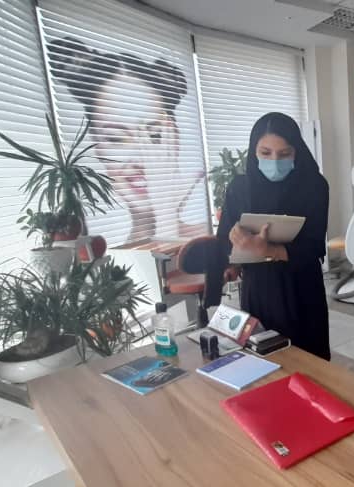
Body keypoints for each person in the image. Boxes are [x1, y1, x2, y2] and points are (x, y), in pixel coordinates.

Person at [48, 37, 206, 244]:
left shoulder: (215, 237)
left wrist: (165, 211)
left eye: (154, 135)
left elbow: (172, 254)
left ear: (175, 136)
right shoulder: (112, 253)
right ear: (95, 144)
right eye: (116, 138)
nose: (142, 159)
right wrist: (165, 211)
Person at [207, 113, 331, 360]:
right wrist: (233, 252)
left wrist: (269, 250)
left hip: (302, 289)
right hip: (259, 290)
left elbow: (314, 246)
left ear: (297, 151)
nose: (274, 161)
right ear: (254, 151)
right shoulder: (240, 188)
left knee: (309, 361)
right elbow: (223, 242)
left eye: (284, 154)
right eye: (265, 153)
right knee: (263, 358)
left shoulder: (314, 186)